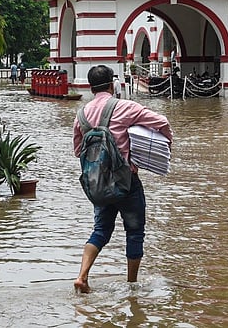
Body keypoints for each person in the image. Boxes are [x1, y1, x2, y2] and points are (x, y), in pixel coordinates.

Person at [72, 65, 172, 294]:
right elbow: (161, 122)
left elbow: (78, 151)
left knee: (100, 231)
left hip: (98, 185)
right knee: (135, 232)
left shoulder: (81, 115)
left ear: (90, 87)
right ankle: (132, 285)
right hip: (127, 183)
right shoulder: (124, 107)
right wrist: (165, 148)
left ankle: (82, 277)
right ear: (112, 84)